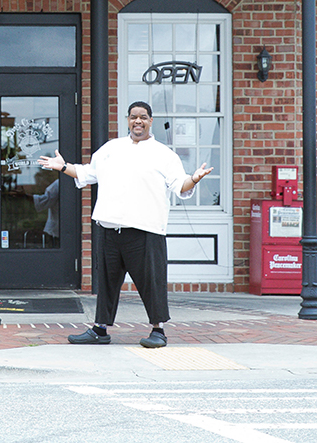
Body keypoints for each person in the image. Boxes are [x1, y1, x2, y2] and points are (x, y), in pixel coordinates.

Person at [38, 101, 211, 349]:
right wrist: (64, 167)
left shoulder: (165, 155)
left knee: (152, 282)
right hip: (109, 229)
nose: (137, 121)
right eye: (133, 117)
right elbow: (88, 173)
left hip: (146, 231)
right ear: (127, 120)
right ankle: (100, 329)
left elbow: (179, 185)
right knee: (107, 282)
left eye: (142, 117)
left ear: (151, 121)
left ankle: (158, 330)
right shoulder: (111, 148)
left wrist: (193, 179)